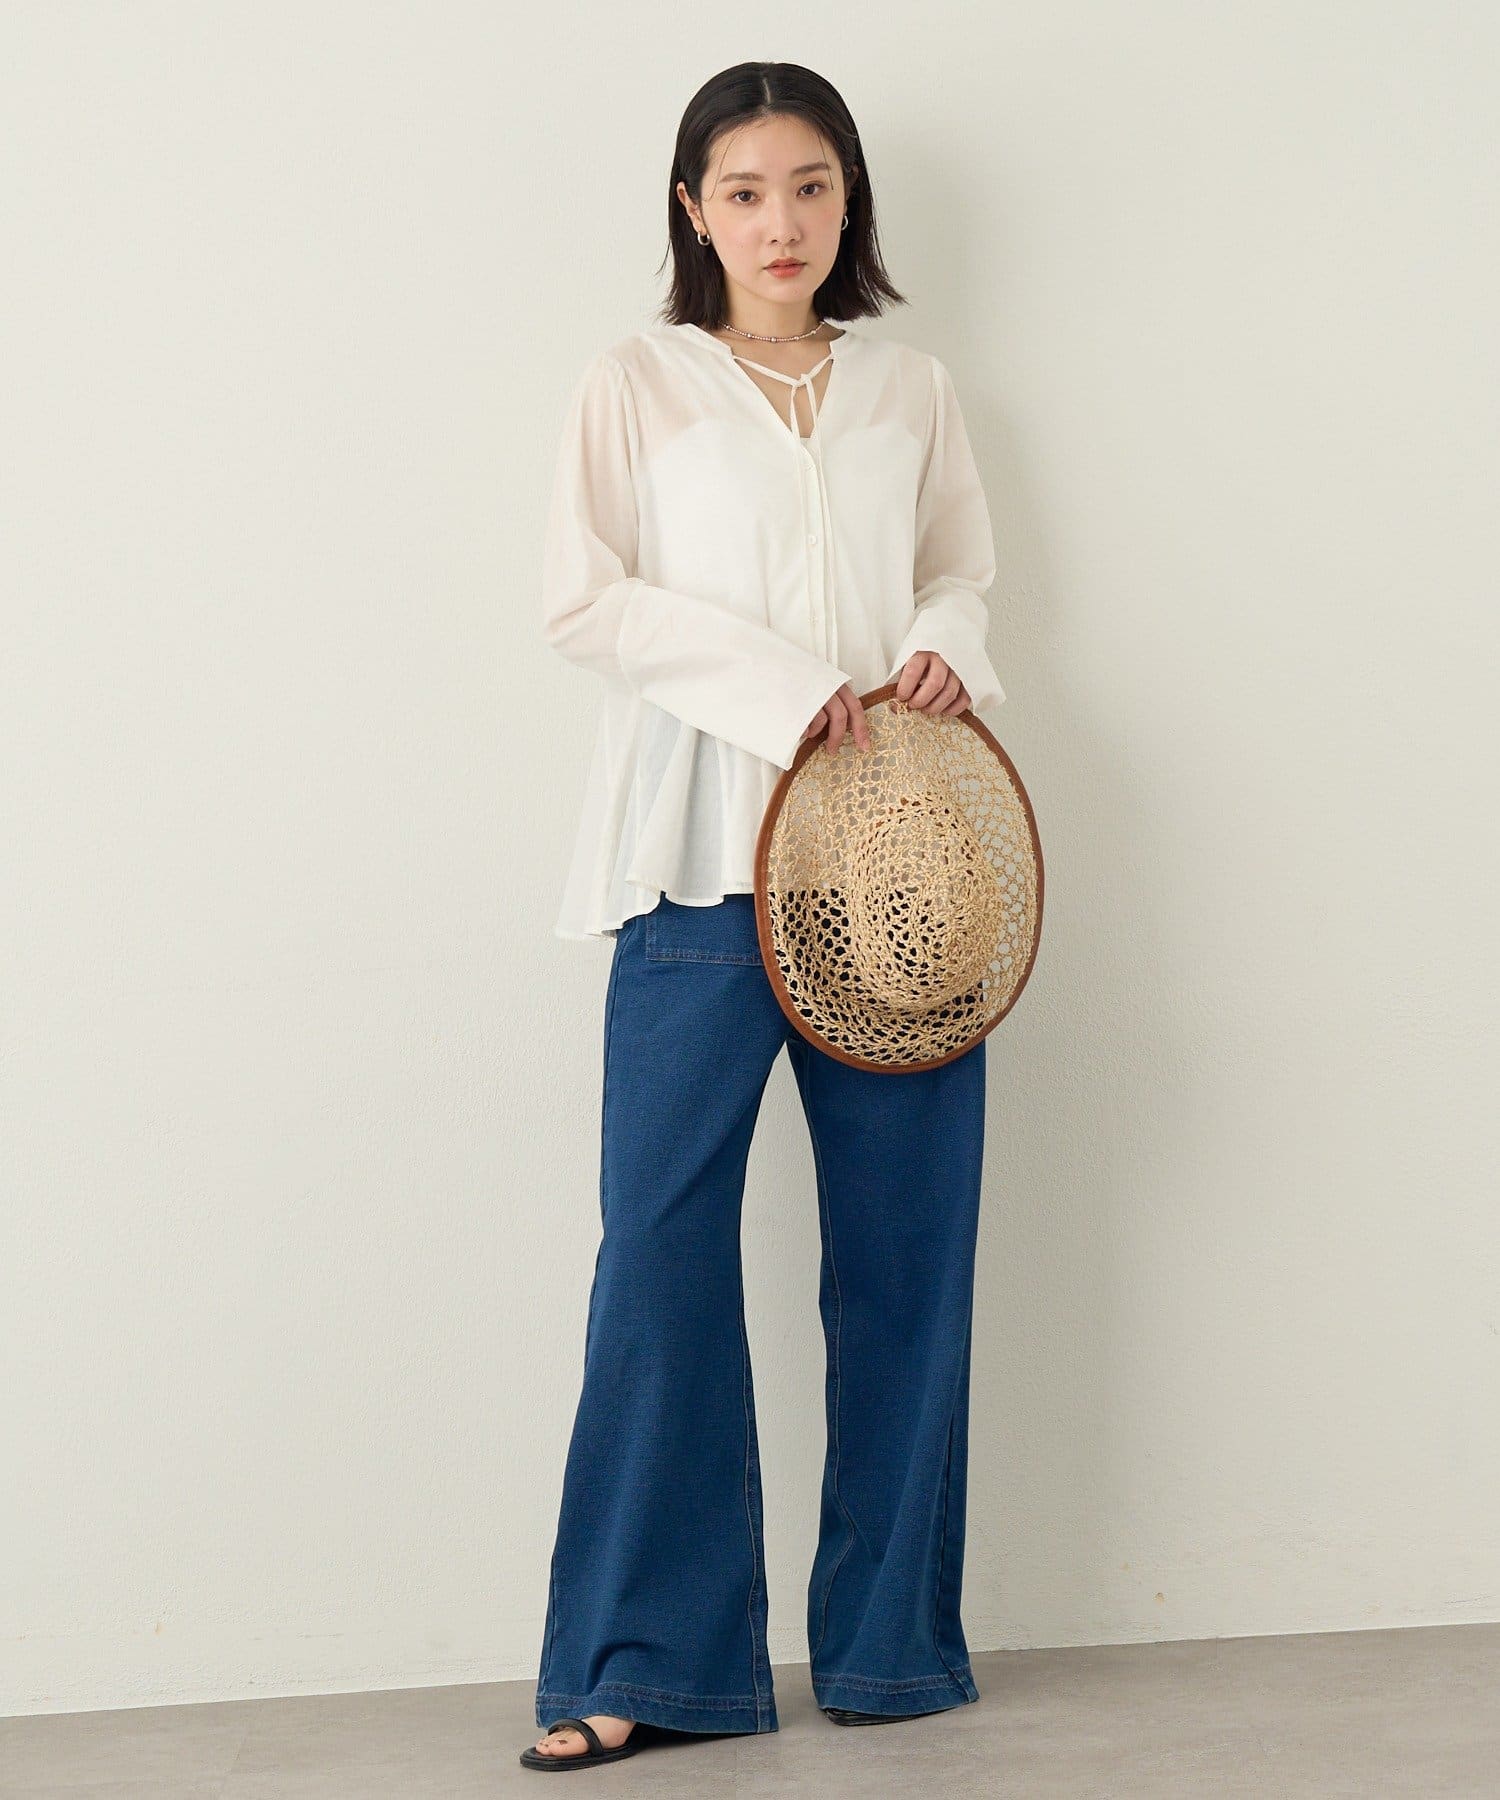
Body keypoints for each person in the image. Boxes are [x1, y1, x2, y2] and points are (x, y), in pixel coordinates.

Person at [523, 61, 1006, 1771]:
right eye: (743, 191)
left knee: (907, 1264)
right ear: (693, 210)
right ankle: (648, 1664)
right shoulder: (637, 382)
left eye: (810, 186)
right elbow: (583, 600)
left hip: (896, 877)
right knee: (658, 1258)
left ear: (848, 199)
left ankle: (891, 1652)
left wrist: (948, 643)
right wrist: (783, 686)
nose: (780, 222)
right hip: (697, 868)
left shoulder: (911, 389)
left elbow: (959, 566)